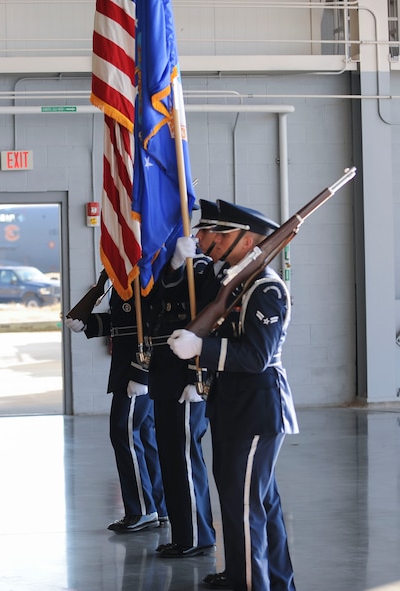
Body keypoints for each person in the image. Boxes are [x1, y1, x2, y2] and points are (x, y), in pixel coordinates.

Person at [168, 200, 299, 590]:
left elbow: (256, 356)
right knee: (254, 502)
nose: (202, 238)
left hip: (256, 409)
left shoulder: (266, 288)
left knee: (244, 508)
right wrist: (177, 266)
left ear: (245, 241)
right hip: (231, 406)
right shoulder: (235, 280)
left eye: (214, 234)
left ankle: (251, 584)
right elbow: (187, 296)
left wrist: (202, 350)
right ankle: (274, 580)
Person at [66, 286, 167, 533]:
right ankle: (157, 506)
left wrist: (141, 374)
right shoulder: (126, 282)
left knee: (124, 432)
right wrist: (89, 324)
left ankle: (142, 510)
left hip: (136, 371)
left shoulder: (143, 280)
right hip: (129, 369)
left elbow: (155, 325)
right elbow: (124, 322)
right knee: (143, 435)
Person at [147, 233, 218, 558]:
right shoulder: (171, 269)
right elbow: (154, 307)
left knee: (185, 460)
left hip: (185, 379)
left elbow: (207, 325)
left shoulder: (204, 271)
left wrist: (197, 376)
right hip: (164, 377)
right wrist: (174, 266)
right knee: (171, 459)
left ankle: (196, 537)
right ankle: (184, 533)